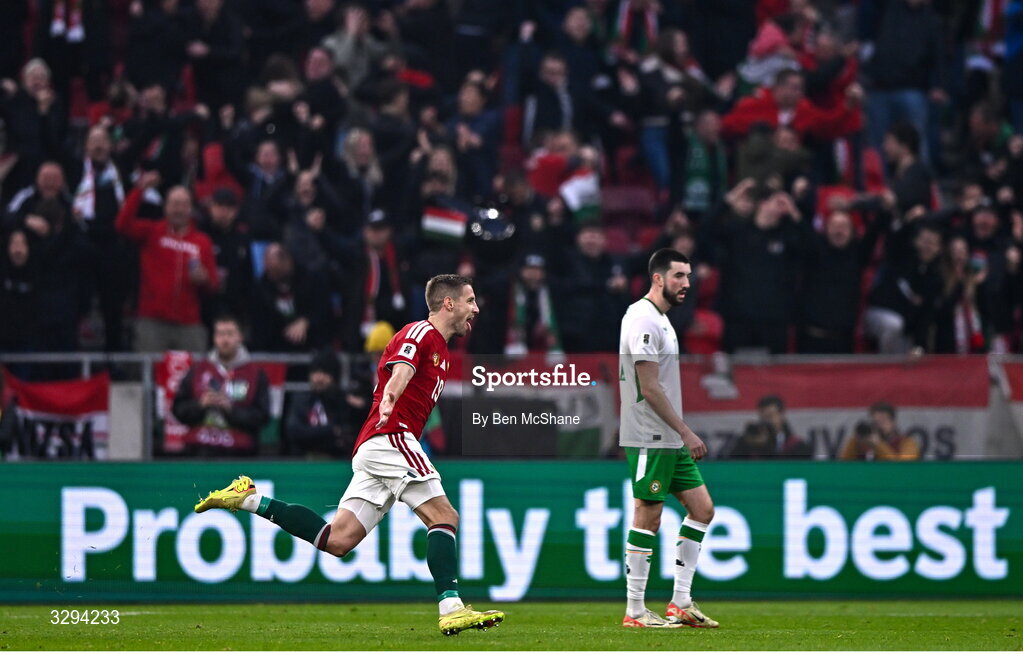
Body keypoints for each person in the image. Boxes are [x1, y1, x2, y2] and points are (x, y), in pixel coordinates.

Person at [193, 274, 505, 636]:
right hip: (391, 437)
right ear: (448, 303)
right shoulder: (421, 333)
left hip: (377, 446)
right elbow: (402, 368)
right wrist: (390, 397)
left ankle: (249, 499)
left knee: (337, 540)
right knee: (444, 515)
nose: (476, 309)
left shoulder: (442, 350)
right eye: (470, 301)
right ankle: (450, 607)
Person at [618, 248, 718, 629]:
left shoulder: (660, 319)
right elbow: (648, 386)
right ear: (657, 278)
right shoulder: (643, 318)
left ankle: (680, 603)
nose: (686, 284)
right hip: (649, 433)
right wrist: (685, 430)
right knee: (648, 515)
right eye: (679, 276)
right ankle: (635, 611)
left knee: (702, 508)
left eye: (689, 276)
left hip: (666, 436)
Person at [116, 171, 220, 352]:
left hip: (189, 324)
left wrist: (204, 279)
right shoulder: (152, 232)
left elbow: (213, 284)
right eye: (174, 204)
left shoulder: (202, 241)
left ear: (191, 208)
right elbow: (122, 225)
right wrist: (140, 190)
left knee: (193, 377)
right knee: (150, 375)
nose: (179, 209)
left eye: (184, 205)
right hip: (152, 321)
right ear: (165, 207)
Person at [172, 315, 270, 456]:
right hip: (199, 452)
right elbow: (178, 410)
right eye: (220, 334)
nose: (224, 340)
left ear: (240, 337)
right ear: (214, 337)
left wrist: (231, 411)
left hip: (239, 454)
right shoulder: (197, 371)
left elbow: (262, 416)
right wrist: (200, 405)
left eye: (230, 334)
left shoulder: (255, 373)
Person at [284, 349, 352, 457]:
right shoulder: (301, 400)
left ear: (334, 377)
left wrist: (312, 436)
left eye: (325, 373)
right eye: (315, 372)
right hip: (303, 463)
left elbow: (346, 437)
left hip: (336, 464)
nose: (318, 378)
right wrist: (331, 431)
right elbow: (294, 431)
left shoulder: (343, 401)